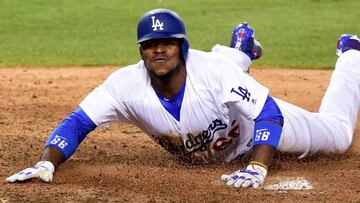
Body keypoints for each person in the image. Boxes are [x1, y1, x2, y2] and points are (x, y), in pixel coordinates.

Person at [6, 8, 360, 189]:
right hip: (217, 87)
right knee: (214, 80)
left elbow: (268, 112)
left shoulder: (208, 70)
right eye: (150, 46)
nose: (159, 50)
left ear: (182, 46)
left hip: (252, 127)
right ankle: (241, 49)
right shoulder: (124, 85)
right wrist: (47, 161)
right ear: (140, 51)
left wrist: (258, 165)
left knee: (339, 135)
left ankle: (351, 56)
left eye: (168, 44)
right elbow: (78, 122)